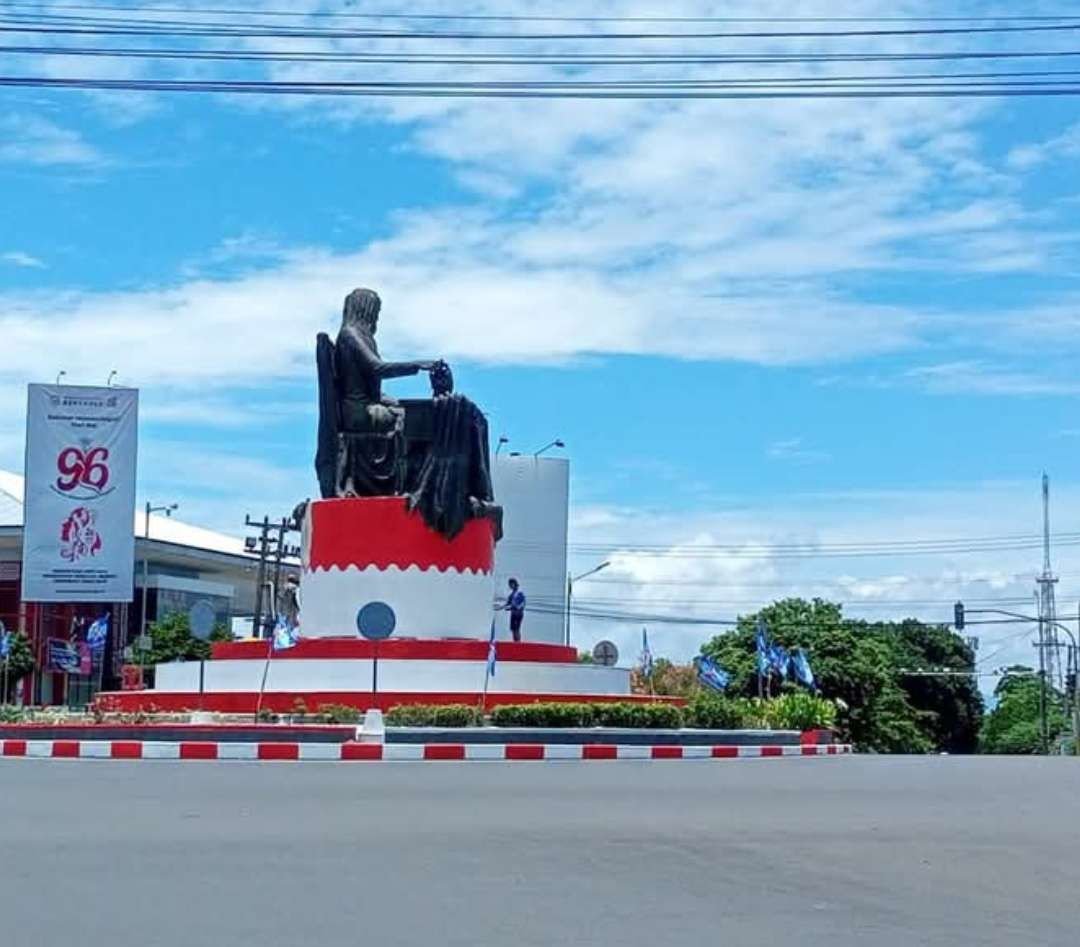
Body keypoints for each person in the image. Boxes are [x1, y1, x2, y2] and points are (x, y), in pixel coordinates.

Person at [500, 578, 526, 642]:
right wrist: (501, 607)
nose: (510, 586)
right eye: (509, 585)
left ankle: (518, 642)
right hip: (514, 613)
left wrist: (513, 607)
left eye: (511, 585)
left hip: (518, 614)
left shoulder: (519, 593)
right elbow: (508, 603)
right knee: (513, 629)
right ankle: (515, 641)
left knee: (516, 629)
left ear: (514, 584)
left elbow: (521, 604)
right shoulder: (512, 594)